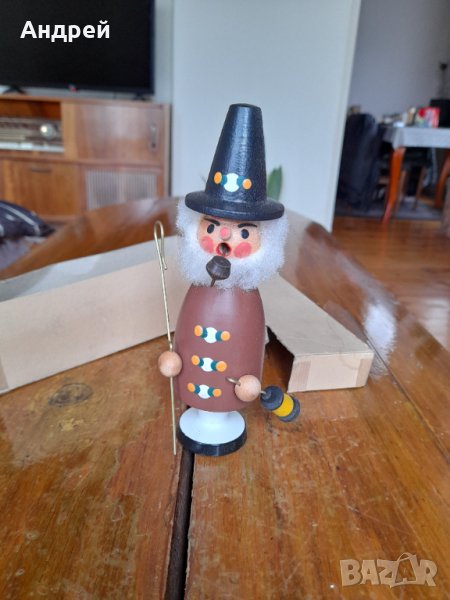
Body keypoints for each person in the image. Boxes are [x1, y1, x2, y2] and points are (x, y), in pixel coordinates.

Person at [158, 104, 287, 456]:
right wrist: (173, 360)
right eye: (213, 226)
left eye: (244, 231)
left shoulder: (247, 298)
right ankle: (200, 411)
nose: (225, 238)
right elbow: (185, 339)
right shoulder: (198, 287)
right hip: (193, 386)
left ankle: (222, 413)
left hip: (233, 389)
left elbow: (249, 343)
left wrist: (249, 381)